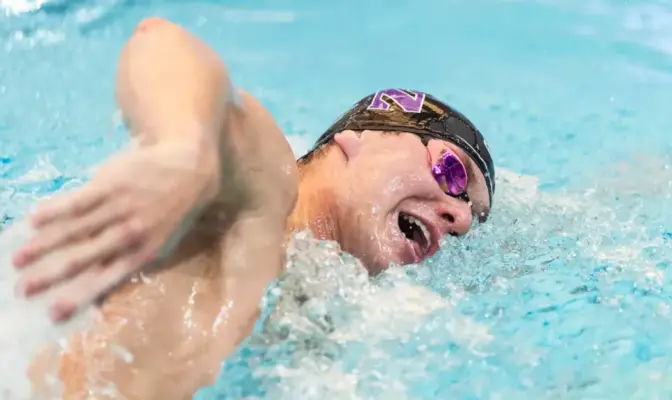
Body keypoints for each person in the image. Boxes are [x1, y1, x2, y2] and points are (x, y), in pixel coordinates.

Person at [11, 17, 495, 399]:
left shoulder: (329, 319)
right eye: (451, 171)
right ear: (358, 138)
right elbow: (160, 43)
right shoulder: (263, 191)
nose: (460, 217)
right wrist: (185, 150)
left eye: (467, 220)